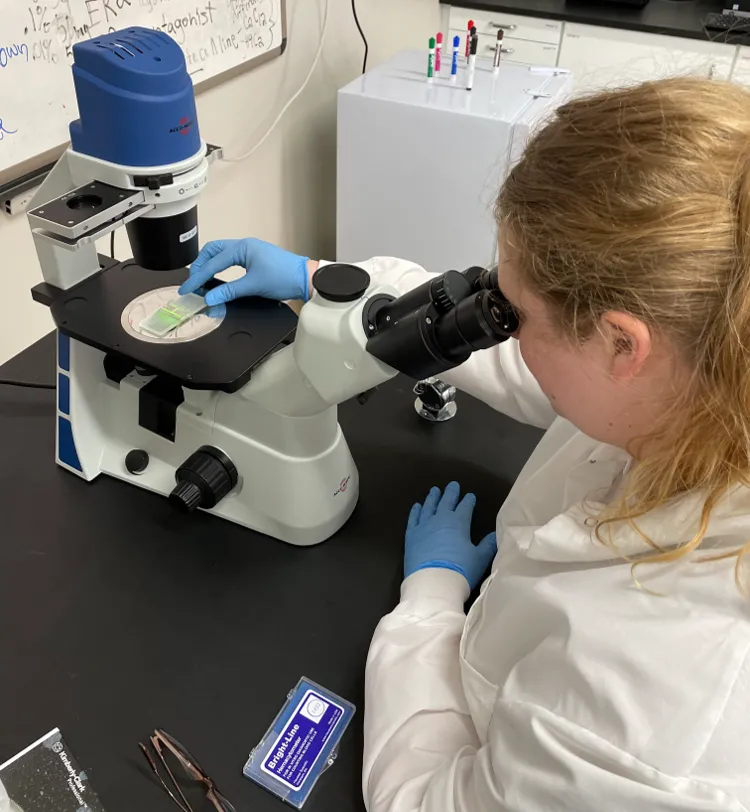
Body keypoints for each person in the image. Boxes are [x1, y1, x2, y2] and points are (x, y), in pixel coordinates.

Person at [180, 78, 750, 810]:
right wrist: (318, 280)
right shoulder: (703, 365)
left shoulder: (650, 715)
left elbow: (430, 799)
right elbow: (530, 364)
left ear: (622, 346)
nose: (494, 324)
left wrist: (431, 599)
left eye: (509, 312)